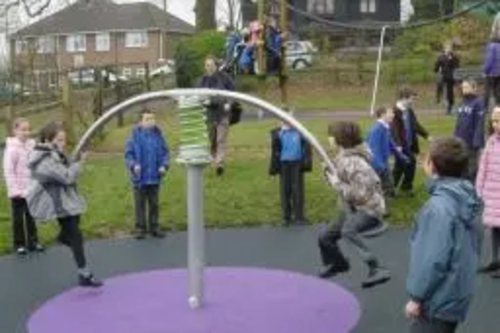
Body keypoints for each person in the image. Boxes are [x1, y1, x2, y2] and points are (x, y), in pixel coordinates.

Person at [405, 137, 483, 333]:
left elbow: (432, 260)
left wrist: (416, 297)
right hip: (456, 293)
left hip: (437, 302)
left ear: (432, 166)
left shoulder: (438, 208)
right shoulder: (467, 197)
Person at [26, 122, 102, 288]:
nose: (62, 144)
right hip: (56, 203)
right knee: (76, 237)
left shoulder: (55, 153)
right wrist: (80, 163)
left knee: (74, 233)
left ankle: (63, 238)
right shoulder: (44, 158)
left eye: (64, 140)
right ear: (48, 139)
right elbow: (67, 177)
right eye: (59, 140)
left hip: (67, 199)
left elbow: (67, 174)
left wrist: (74, 164)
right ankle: (85, 274)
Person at [319, 121, 390, 289]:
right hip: (351, 208)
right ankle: (338, 263)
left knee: (348, 230)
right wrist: (328, 174)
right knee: (325, 237)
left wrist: (337, 184)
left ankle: (377, 268)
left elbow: (362, 193)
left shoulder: (356, 162)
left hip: (369, 208)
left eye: (331, 135)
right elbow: (338, 184)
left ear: (339, 138)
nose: (329, 138)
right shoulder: (342, 157)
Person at [125, 108, 170, 240]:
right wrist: (133, 165)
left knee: (154, 203)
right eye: (147, 119)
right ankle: (140, 228)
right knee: (140, 204)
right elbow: (128, 154)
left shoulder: (158, 135)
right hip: (140, 178)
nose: (151, 121)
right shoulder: (134, 136)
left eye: (152, 118)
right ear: (141, 122)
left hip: (155, 178)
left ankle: (154, 226)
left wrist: (163, 165)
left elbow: (165, 153)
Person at [2, 118, 44, 255]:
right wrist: (14, 190)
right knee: (18, 219)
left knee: (31, 216)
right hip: (18, 192)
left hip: (30, 189)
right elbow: (8, 171)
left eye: (28, 130)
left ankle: (33, 241)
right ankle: (19, 244)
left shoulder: (32, 146)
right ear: (15, 131)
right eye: (22, 130)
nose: (26, 132)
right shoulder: (12, 149)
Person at [269, 116, 313, 226]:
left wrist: (306, 162)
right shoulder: (278, 133)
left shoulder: (300, 132)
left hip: (297, 164)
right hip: (284, 164)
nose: (286, 122)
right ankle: (286, 217)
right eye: (283, 120)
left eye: (289, 119)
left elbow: (307, 146)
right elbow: (275, 149)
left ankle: (299, 217)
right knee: (285, 190)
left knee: (298, 190)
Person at [196, 56, 236, 176]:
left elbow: (233, 92)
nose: (209, 67)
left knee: (220, 139)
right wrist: (204, 101)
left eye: (211, 65)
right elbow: (198, 96)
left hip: (223, 113)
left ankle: (220, 163)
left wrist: (229, 103)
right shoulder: (202, 80)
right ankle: (214, 159)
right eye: (207, 65)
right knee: (212, 139)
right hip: (209, 115)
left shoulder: (224, 78)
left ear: (216, 66)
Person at [391, 87, 431, 196]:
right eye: (412, 99)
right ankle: (399, 188)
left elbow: (415, 124)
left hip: (408, 144)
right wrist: (398, 145)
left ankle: (400, 187)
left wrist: (426, 135)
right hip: (400, 146)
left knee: (403, 165)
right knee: (406, 164)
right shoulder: (395, 111)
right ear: (404, 98)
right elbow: (394, 130)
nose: (413, 101)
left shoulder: (409, 110)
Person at [476, 106, 500, 278]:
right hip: (492, 193)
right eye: (494, 121)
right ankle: (494, 259)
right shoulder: (491, 140)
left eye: (499, 121)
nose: (496, 124)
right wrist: (479, 187)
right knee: (493, 228)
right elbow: (483, 166)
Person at [366, 106, 408, 197]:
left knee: (389, 183)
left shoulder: (385, 128)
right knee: (380, 185)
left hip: (384, 162)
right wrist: (380, 166)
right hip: (377, 164)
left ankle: (386, 199)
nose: (393, 115)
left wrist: (401, 156)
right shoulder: (377, 129)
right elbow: (374, 149)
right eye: (391, 113)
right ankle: (380, 205)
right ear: (382, 115)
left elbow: (391, 144)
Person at [453, 79, 486, 182]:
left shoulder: (478, 102)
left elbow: (480, 123)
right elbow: (458, 122)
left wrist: (477, 141)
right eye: (463, 87)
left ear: (474, 88)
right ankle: (463, 184)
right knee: (461, 163)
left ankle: (472, 186)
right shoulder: (462, 102)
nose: (464, 90)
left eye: (467, 87)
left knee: (471, 167)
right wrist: (455, 137)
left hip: (471, 141)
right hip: (460, 139)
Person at [434, 43, 460, 114]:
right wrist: (437, 69)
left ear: (451, 49)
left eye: (449, 48)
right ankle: (438, 97)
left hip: (450, 76)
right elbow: (436, 66)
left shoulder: (454, 56)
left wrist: (451, 60)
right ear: (444, 49)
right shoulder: (441, 57)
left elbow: (457, 66)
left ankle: (450, 106)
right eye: (446, 48)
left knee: (449, 91)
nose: (448, 50)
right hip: (443, 75)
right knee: (439, 83)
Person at [483, 15, 500, 112]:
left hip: (491, 73)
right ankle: (498, 107)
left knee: (487, 91)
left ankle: (484, 108)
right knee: (498, 91)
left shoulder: (492, 46)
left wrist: (485, 71)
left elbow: (489, 60)